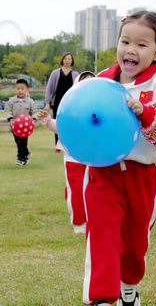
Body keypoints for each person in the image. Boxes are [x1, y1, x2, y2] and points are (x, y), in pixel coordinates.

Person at [81, 11, 156, 306]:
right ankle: (100, 297)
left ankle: (129, 286)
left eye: (141, 45)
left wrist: (144, 111)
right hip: (102, 171)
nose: (130, 50)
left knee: (134, 244)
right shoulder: (99, 82)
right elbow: (82, 117)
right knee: (101, 233)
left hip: (141, 174)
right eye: (125, 41)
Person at [37, 71, 96, 234]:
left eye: (92, 82)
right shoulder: (70, 106)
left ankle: (92, 217)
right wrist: (48, 121)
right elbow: (60, 125)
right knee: (77, 190)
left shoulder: (101, 105)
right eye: (83, 82)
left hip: (94, 159)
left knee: (92, 191)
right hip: (73, 157)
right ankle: (79, 223)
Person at [44, 52, 79, 145]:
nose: (67, 61)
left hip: (70, 103)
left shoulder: (75, 74)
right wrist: (47, 102)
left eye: (69, 59)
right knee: (57, 123)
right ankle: (58, 144)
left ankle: (68, 143)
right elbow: (49, 88)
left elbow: (79, 89)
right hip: (57, 101)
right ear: (62, 60)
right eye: (65, 58)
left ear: (72, 61)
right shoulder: (55, 73)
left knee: (70, 122)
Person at [5, 79, 37, 165]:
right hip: (14, 126)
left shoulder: (30, 101)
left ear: (27, 89)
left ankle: (21, 158)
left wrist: (33, 119)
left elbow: (34, 112)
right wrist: (11, 119)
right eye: (18, 88)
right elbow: (7, 110)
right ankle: (26, 153)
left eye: (22, 88)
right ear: (15, 89)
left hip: (26, 127)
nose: (20, 91)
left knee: (22, 142)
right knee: (18, 141)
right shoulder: (11, 101)